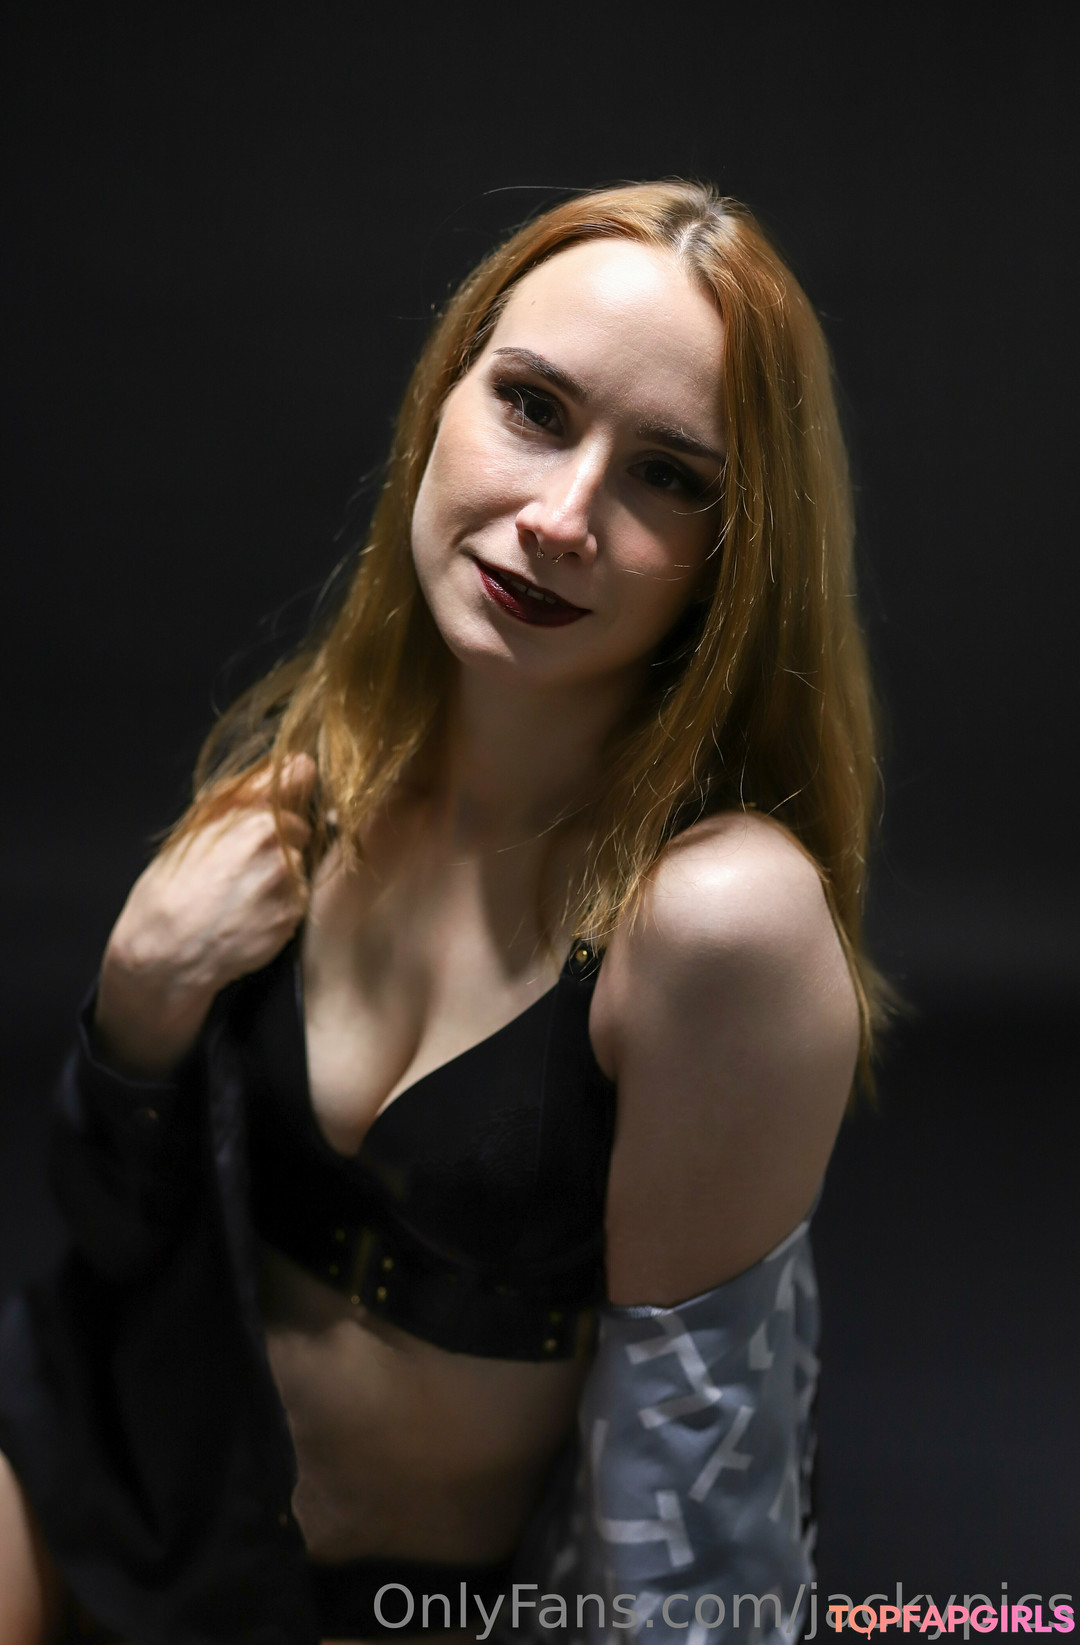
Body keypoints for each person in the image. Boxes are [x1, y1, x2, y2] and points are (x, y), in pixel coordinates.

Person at [0, 180, 884, 1644]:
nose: (561, 517)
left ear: (737, 554)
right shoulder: (317, 777)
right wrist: (138, 999)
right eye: (533, 407)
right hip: (95, 1477)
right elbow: (110, 1233)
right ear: (444, 399)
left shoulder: (718, 923)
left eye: (668, 476)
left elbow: (700, 1529)